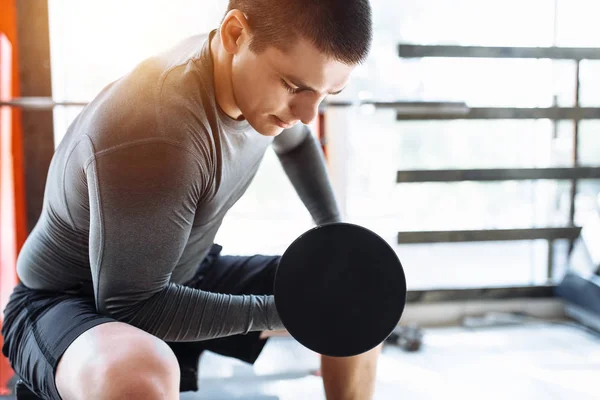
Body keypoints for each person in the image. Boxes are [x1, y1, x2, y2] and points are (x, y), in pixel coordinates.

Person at [2, 0, 377, 399]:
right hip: (67, 303)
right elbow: (131, 306)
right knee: (136, 374)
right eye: (295, 86)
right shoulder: (158, 130)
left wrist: (335, 235)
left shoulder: (257, 81)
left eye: (326, 92)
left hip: (178, 272)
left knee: (361, 287)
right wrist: (287, 311)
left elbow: (298, 143)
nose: (307, 112)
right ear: (236, 34)